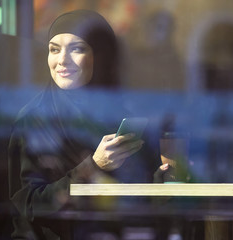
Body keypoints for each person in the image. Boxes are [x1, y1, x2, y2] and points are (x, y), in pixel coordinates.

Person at [8, 10, 147, 239]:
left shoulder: (114, 115)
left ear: (102, 58)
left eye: (76, 48)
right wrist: (93, 166)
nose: (62, 60)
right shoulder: (33, 120)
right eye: (54, 49)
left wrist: (164, 178)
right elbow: (30, 205)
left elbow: (138, 194)